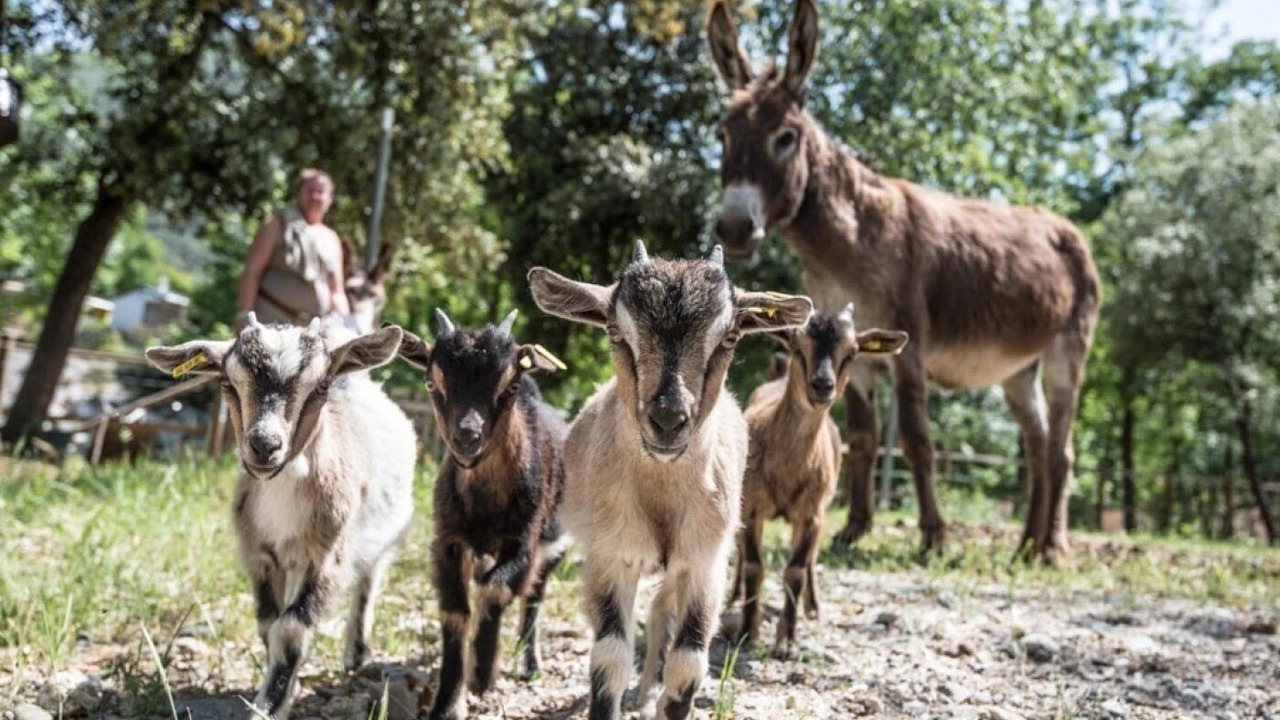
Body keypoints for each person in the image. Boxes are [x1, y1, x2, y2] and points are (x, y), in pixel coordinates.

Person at [236, 168, 352, 331]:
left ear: (329, 199)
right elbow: (252, 271)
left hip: (311, 332)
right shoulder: (277, 224)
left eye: (320, 192)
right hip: (269, 324)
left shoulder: (331, 239)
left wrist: (348, 327)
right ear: (299, 193)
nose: (315, 197)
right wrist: (244, 315)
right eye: (310, 190)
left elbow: (337, 292)